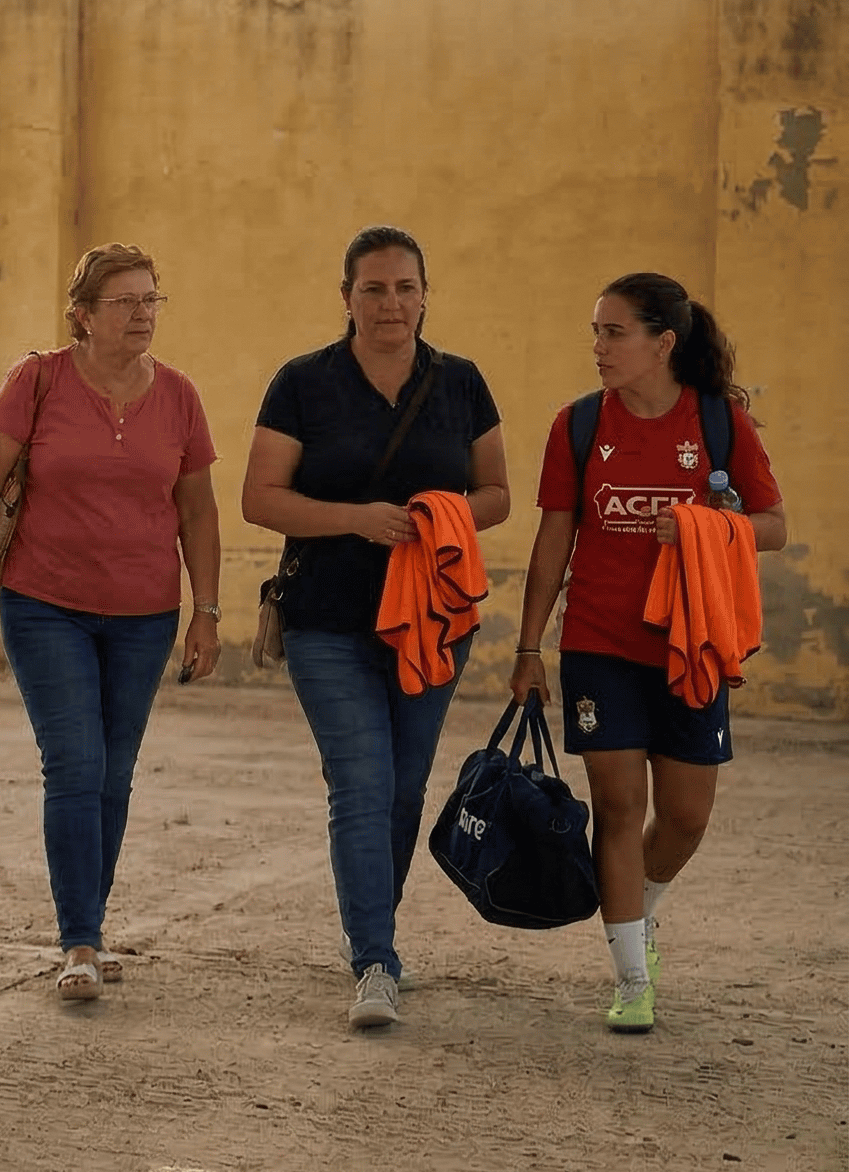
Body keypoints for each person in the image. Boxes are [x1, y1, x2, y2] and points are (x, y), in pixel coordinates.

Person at [241, 225, 510, 1032]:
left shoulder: (462, 382)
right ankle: (375, 960)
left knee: (404, 785)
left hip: (435, 621)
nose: (391, 303)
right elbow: (261, 498)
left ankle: (371, 929)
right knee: (360, 781)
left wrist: (438, 517)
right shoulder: (302, 383)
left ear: (425, 296)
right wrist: (356, 519)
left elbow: (496, 494)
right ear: (347, 297)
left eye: (405, 288)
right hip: (326, 618)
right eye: (374, 288)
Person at [507, 273, 786, 1033]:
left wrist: (708, 526)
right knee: (618, 806)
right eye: (595, 332)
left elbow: (773, 525)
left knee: (687, 815)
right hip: (599, 643)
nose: (598, 347)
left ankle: (642, 911)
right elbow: (553, 542)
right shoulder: (577, 424)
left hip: (691, 643)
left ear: (663, 343)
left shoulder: (721, 423)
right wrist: (529, 647)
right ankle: (631, 976)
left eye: (615, 332)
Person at [0, 243, 221, 1002]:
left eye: (151, 299)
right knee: (74, 763)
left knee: (114, 770)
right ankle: (79, 940)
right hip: (44, 604)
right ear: (82, 315)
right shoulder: (37, 380)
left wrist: (206, 611)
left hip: (146, 614)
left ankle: (91, 925)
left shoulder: (179, 395)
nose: (143, 314)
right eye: (125, 302)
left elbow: (198, 511)